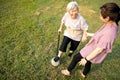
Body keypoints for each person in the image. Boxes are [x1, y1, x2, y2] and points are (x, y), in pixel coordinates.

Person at [61, 2, 120, 78]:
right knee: (89, 62)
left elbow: (99, 49)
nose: (99, 16)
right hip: (93, 46)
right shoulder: (112, 23)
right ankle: (84, 74)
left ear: (107, 18)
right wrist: (89, 34)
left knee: (76, 57)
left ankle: (68, 71)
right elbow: (101, 35)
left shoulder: (110, 32)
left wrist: (86, 58)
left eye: (101, 15)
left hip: (93, 49)